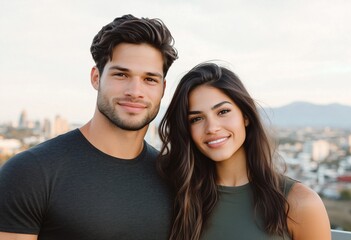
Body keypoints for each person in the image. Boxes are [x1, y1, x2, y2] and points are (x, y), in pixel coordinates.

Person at [0, 14, 178, 240]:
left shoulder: (172, 177)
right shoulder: (30, 173)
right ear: (96, 77)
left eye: (149, 79)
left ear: (162, 88)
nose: (135, 91)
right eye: (121, 74)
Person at [158, 62, 331, 240]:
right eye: (196, 118)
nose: (212, 127)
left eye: (223, 111)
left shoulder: (300, 203)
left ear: (246, 116)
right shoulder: (177, 193)